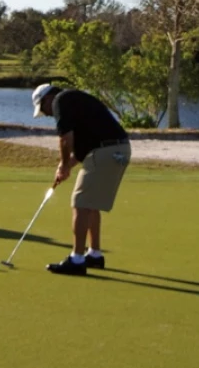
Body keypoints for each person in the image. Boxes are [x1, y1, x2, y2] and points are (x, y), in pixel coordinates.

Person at [31, 83, 131, 276]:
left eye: (43, 109)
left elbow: (65, 139)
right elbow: (83, 148)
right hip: (119, 149)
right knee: (90, 204)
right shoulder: (75, 101)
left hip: (105, 151)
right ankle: (94, 254)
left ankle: (77, 260)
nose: (48, 114)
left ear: (47, 98)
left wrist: (62, 164)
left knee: (80, 203)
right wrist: (68, 166)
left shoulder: (60, 100)